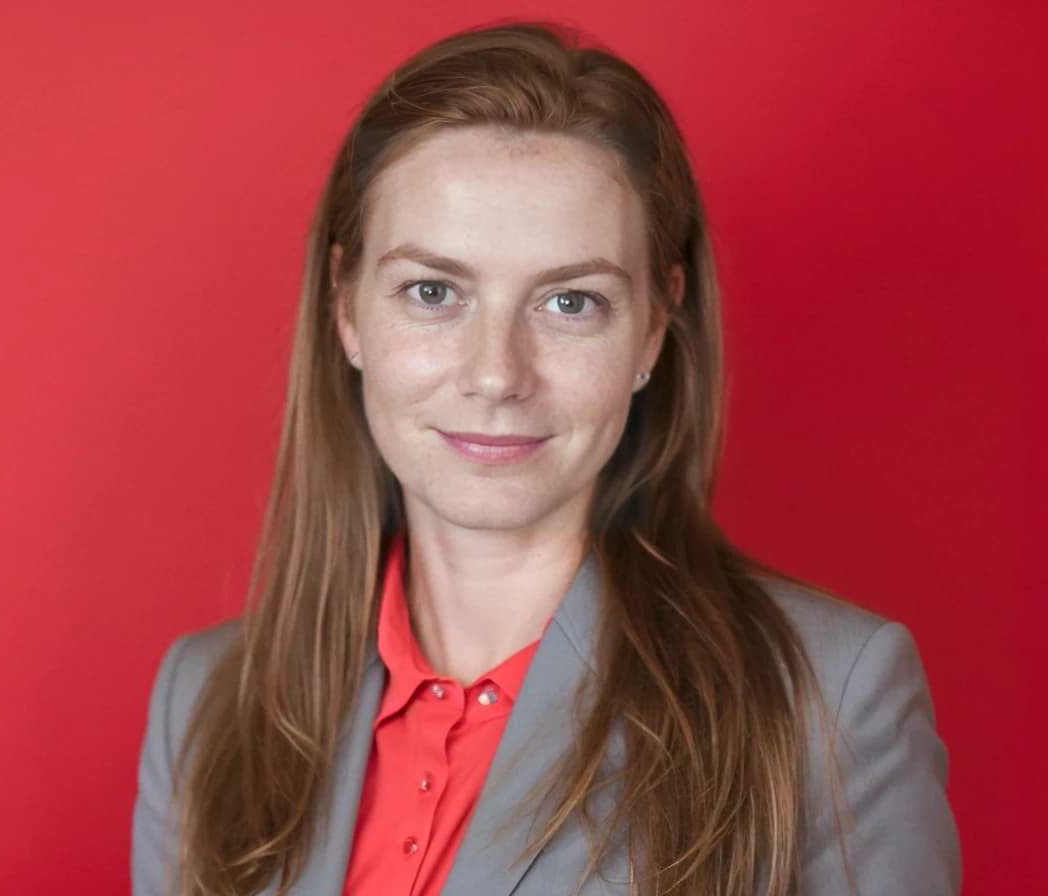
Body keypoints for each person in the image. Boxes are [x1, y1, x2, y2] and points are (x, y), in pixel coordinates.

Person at [131, 20, 961, 896]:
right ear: (346, 307)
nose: (496, 373)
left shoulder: (827, 702)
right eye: (433, 292)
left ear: (654, 323)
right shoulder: (206, 701)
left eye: (570, 301)